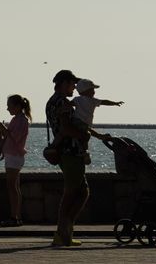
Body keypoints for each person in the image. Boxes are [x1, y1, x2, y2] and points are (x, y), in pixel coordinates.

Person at [46, 69, 87, 247]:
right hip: (70, 151)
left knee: (81, 191)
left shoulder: (52, 102)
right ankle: (63, 231)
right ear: (63, 83)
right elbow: (65, 129)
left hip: (67, 151)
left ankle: (65, 231)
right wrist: (82, 135)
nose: (74, 87)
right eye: (72, 84)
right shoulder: (62, 102)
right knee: (73, 192)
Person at [0, 94, 31, 226]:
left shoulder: (21, 120)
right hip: (13, 155)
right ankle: (17, 216)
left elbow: (14, 137)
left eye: (9, 106)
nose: (7, 108)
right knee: (15, 187)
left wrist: (1, 127)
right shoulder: (17, 119)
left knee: (12, 187)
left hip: (15, 156)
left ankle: (14, 217)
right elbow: (8, 137)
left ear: (17, 106)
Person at [71, 78, 123, 164]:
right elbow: (69, 104)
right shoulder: (78, 99)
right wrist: (114, 103)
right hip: (78, 122)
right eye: (92, 90)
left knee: (85, 136)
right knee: (85, 136)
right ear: (85, 90)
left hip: (85, 123)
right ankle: (84, 152)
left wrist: (114, 103)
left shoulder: (91, 100)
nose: (94, 92)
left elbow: (104, 102)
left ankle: (84, 151)